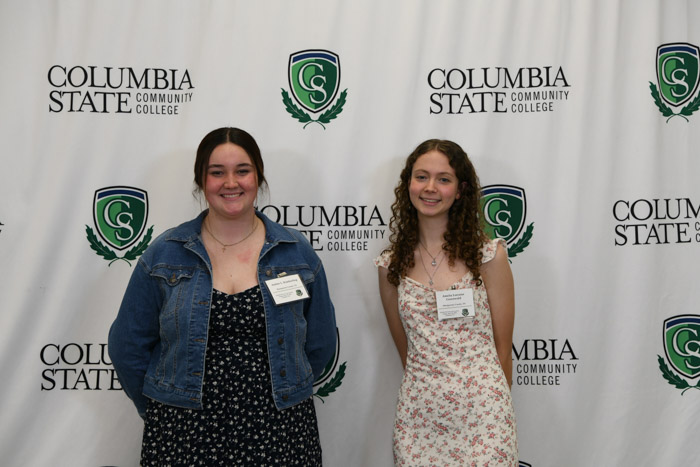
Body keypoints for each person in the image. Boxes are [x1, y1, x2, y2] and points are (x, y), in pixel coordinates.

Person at [109, 127, 337, 466]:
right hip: (182, 431)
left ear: (258, 177)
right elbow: (127, 345)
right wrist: (162, 406)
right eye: (217, 173)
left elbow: (320, 344)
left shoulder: (296, 253)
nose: (231, 183)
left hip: (280, 430)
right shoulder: (165, 254)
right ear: (202, 181)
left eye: (242, 171)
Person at [375, 139, 518, 465]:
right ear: (408, 183)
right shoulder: (389, 266)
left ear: (460, 189)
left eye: (443, 179)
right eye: (421, 176)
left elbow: (503, 348)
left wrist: (495, 412)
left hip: (484, 419)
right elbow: (406, 351)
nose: (430, 188)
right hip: (419, 420)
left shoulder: (488, 256)